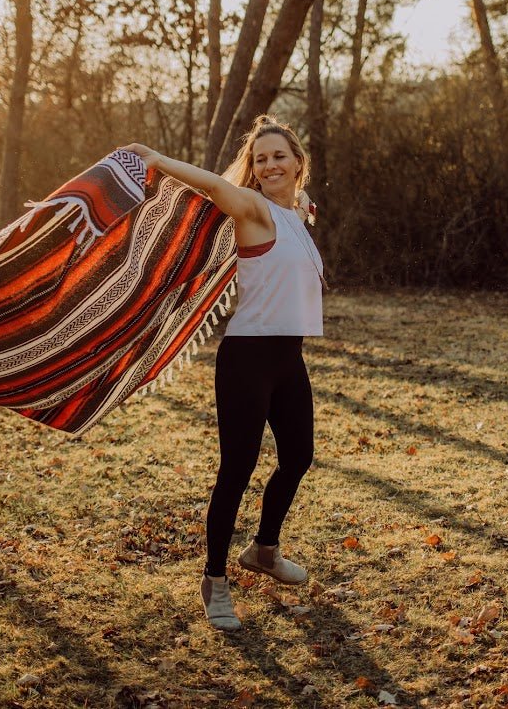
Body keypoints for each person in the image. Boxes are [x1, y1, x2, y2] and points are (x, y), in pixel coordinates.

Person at [124, 114, 324, 631]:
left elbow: (296, 212)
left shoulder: (297, 215)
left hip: (288, 358)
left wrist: (300, 204)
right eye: (261, 159)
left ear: (298, 163)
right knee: (237, 470)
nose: (270, 164)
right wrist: (158, 160)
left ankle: (263, 549)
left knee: (299, 457)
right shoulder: (252, 208)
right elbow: (215, 185)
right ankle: (214, 579)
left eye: (279, 155)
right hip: (247, 360)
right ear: (253, 172)